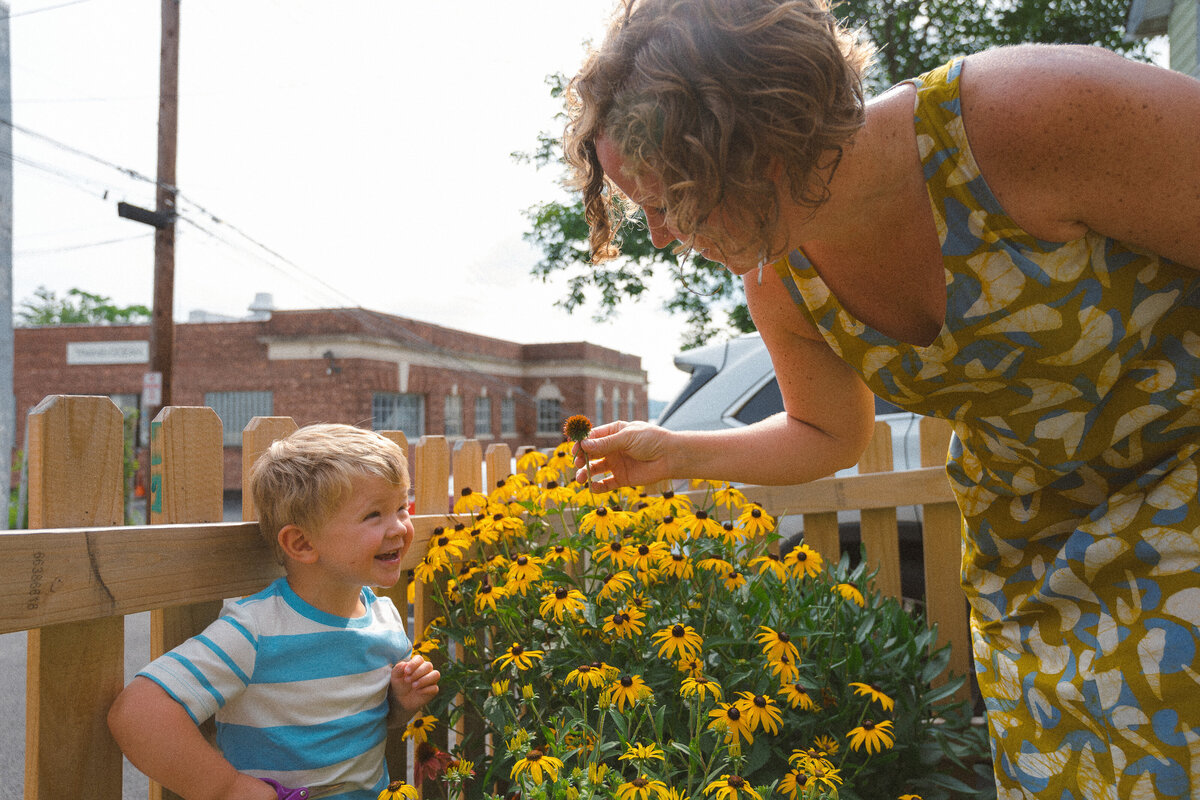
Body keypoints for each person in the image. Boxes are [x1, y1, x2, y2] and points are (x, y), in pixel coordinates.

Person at [565, 1, 1200, 797]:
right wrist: (680, 452)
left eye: (670, 197)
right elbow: (825, 430)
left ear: (755, 145)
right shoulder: (779, 272)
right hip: (1034, 570)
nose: (659, 233)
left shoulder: (1022, 116)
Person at [108, 424, 439, 800]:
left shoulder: (385, 619)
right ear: (301, 543)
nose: (399, 527)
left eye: (400, 507)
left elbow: (363, 722)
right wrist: (227, 788)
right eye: (374, 515)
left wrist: (399, 702)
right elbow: (137, 711)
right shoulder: (256, 630)